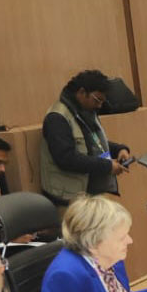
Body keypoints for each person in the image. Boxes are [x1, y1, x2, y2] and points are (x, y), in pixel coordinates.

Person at [39, 69, 132, 203]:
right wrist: (107, 166)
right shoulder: (57, 118)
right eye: (97, 100)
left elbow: (93, 143)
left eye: (103, 101)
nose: (100, 105)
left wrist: (119, 149)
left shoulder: (85, 112)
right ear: (82, 92)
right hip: (67, 197)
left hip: (87, 192)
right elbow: (67, 158)